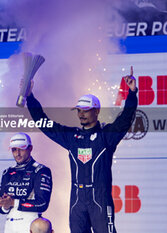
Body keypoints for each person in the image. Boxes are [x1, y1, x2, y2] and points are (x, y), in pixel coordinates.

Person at [25, 67, 137, 233]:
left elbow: (126, 119)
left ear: (97, 111)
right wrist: (30, 97)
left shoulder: (106, 136)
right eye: (78, 110)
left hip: (100, 199)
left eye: (86, 110)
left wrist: (132, 93)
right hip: (77, 201)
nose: (81, 114)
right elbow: (44, 123)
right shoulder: (72, 137)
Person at [0, 132, 53, 233]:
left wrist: (13, 202)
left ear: (30, 148)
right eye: (14, 150)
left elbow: (42, 203)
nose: (17, 154)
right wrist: (5, 206)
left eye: (21, 149)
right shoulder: (7, 172)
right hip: (9, 226)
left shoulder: (41, 170)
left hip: (30, 225)